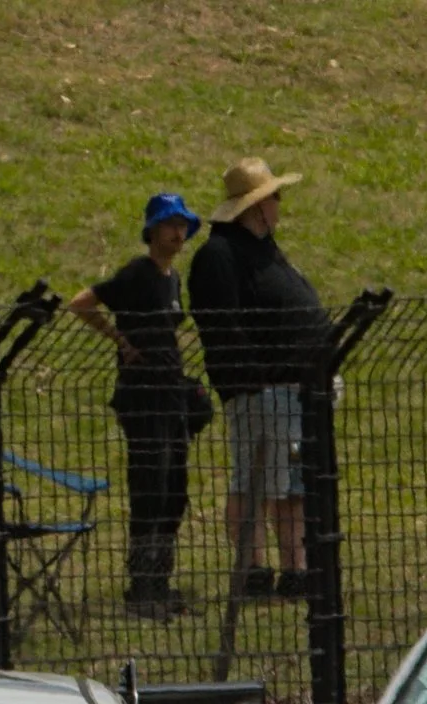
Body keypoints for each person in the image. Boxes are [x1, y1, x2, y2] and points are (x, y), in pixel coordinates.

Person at [188, 159, 328, 601]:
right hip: (260, 390)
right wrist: (254, 375)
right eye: (274, 196)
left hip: (296, 387)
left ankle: (296, 568)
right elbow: (221, 323)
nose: (279, 205)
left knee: (292, 483)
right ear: (256, 205)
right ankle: (254, 568)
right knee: (259, 481)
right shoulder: (220, 254)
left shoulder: (265, 248)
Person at [70, 193, 206, 619]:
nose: (178, 232)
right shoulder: (136, 274)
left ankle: (161, 581)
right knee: (151, 487)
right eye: (170, 224)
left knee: (174, 492)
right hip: (143, 398)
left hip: (171, 397)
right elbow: (81, 303)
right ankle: (141, 585)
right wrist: (119, 340)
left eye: (183, 224)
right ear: (152, 230)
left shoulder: (172, 280)